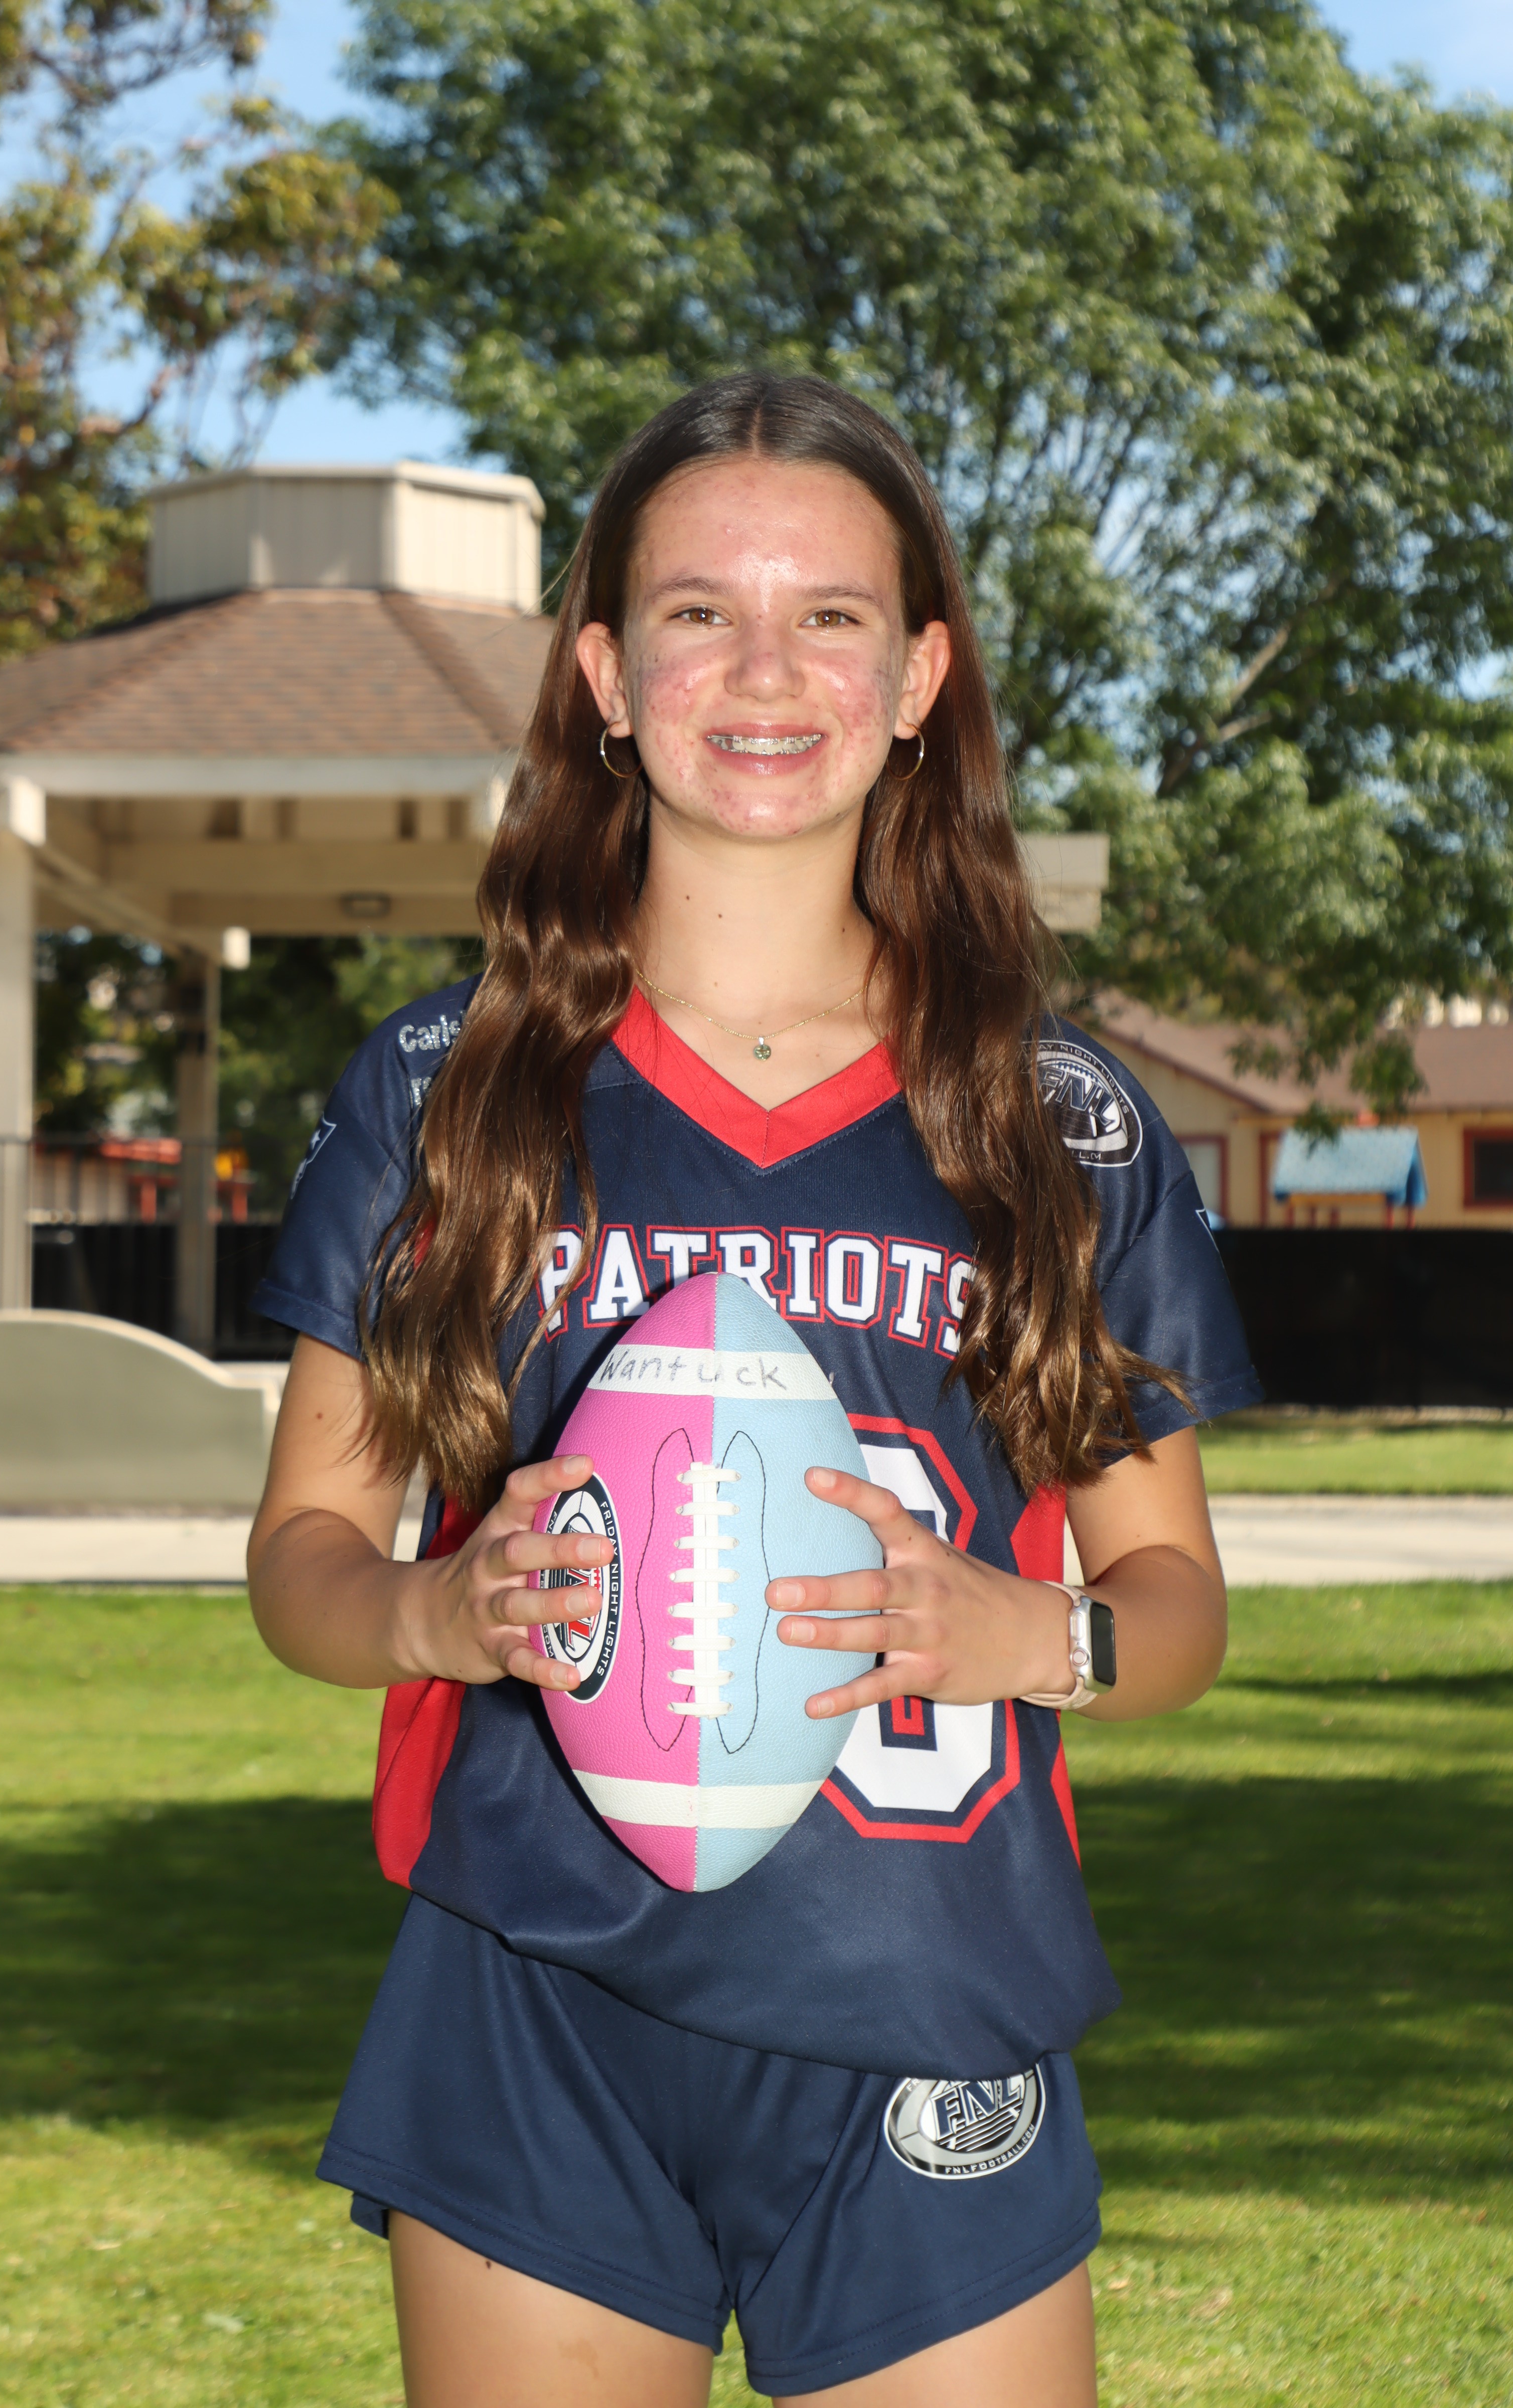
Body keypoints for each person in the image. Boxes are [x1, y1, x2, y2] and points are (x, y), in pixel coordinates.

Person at [247, 373, 1261, 2408]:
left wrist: (1032, 1635)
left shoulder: (1055, 1119)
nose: (767, 669)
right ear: (606, 676)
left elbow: (1177, 1610)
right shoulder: (451, 1087)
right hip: (533, 1985)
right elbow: (301, 1559)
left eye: (832, 616)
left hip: (928, 1989)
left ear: (920, 678)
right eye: (700, 613)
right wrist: (437, 1611)